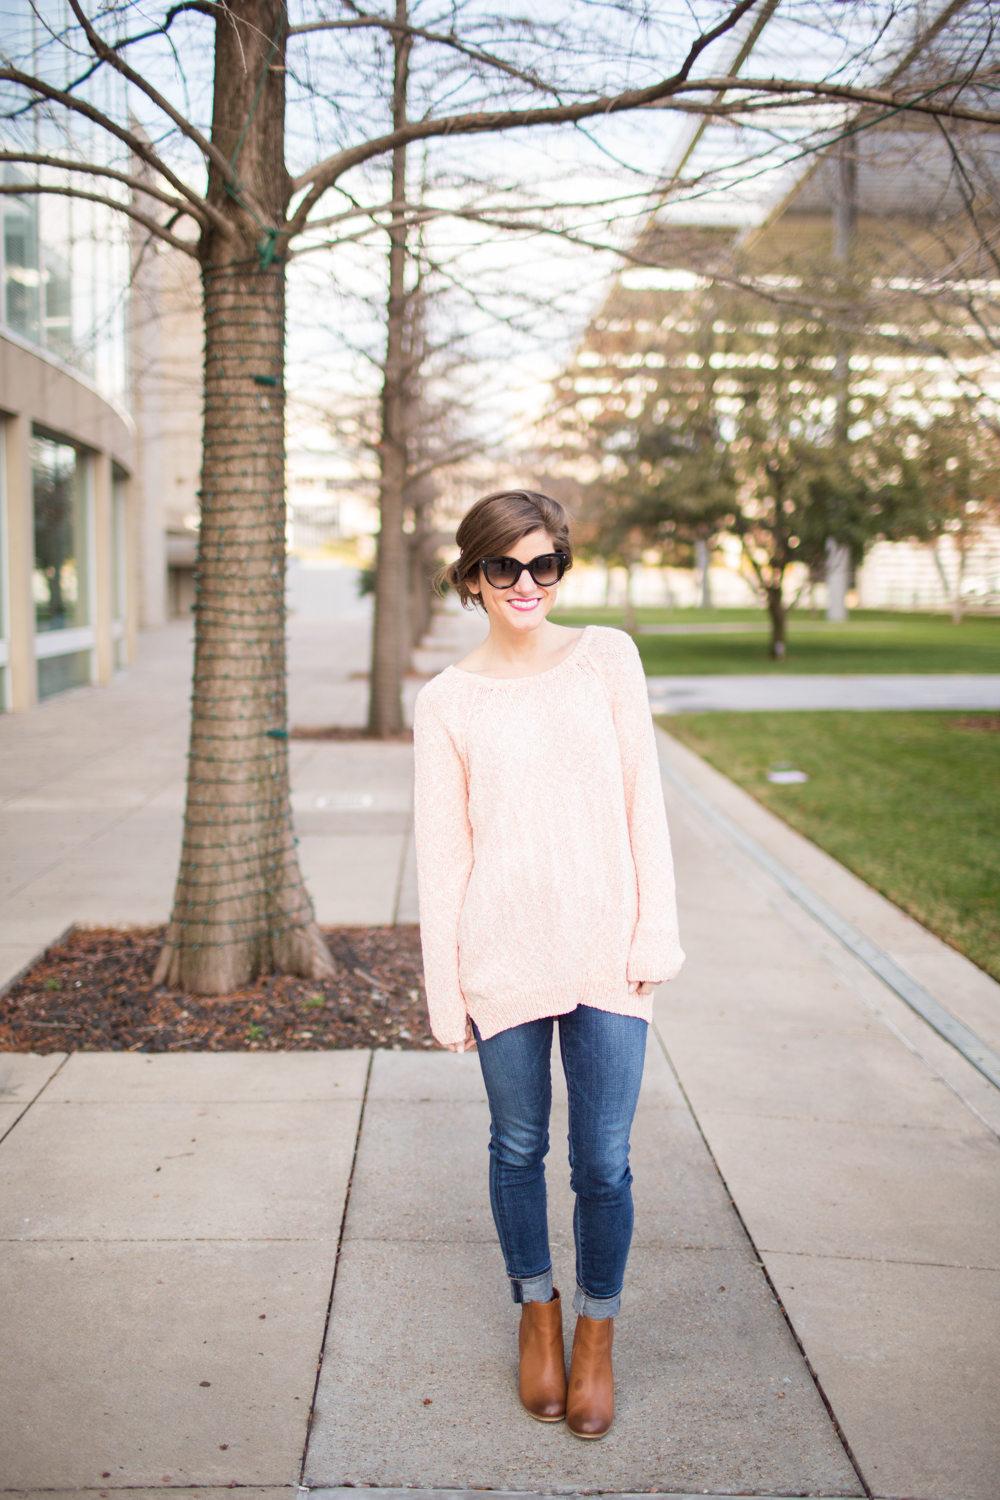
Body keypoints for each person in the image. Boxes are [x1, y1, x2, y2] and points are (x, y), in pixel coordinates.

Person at [413, 489, 684, 1439]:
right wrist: (445, 991)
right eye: (504, 567)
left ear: (561, 568)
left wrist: (657, 931)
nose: (526, 585)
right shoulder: (445, 701)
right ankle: (538, 1316)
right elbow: (444, 858)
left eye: (544, 565)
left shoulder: (607, 656)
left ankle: (596, 1336)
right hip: (501, 955)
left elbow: (643, 799)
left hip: (610, 950)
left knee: (602, 1163)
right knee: (517, 1148)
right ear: (471, 576)